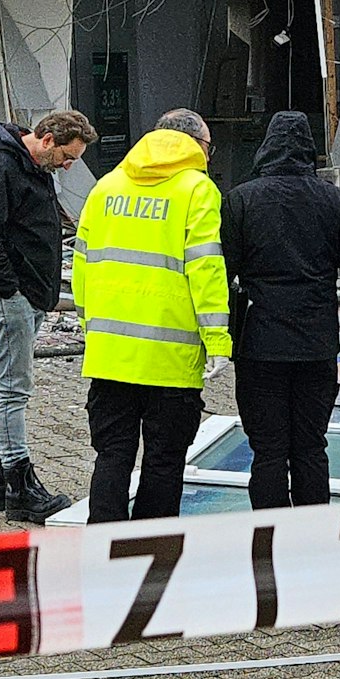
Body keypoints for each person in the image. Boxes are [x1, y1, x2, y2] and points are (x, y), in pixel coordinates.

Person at [72, 109, 230, 523]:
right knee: (163, 461)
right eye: (209, 147)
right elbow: (206, 269)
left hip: (109, 355)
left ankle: (102, 548)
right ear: (197, 145)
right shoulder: (198, 190)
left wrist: (94, 325)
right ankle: (150, 554)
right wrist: (218, 340)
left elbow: (82, 266)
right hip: (170, 357)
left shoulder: (105, 187)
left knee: (112, 455)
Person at [222, 112, 340, 509]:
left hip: (259, 343)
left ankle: (271, 541)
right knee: (310, 447)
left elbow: (222, 273)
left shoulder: (241, 199)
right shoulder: (334, 200)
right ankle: (314, 540)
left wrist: (222, 333)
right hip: (316, 341)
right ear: (310, 149)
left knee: (269, 450)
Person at [0, 109, 96, 524]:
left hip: (25, 291)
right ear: (48, 140)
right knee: (14, 390)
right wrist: (9, 289)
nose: (69, 166)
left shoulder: (27, 165)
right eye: (68, 158)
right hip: (12, 294)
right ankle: (21, 485)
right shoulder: (0, 166)